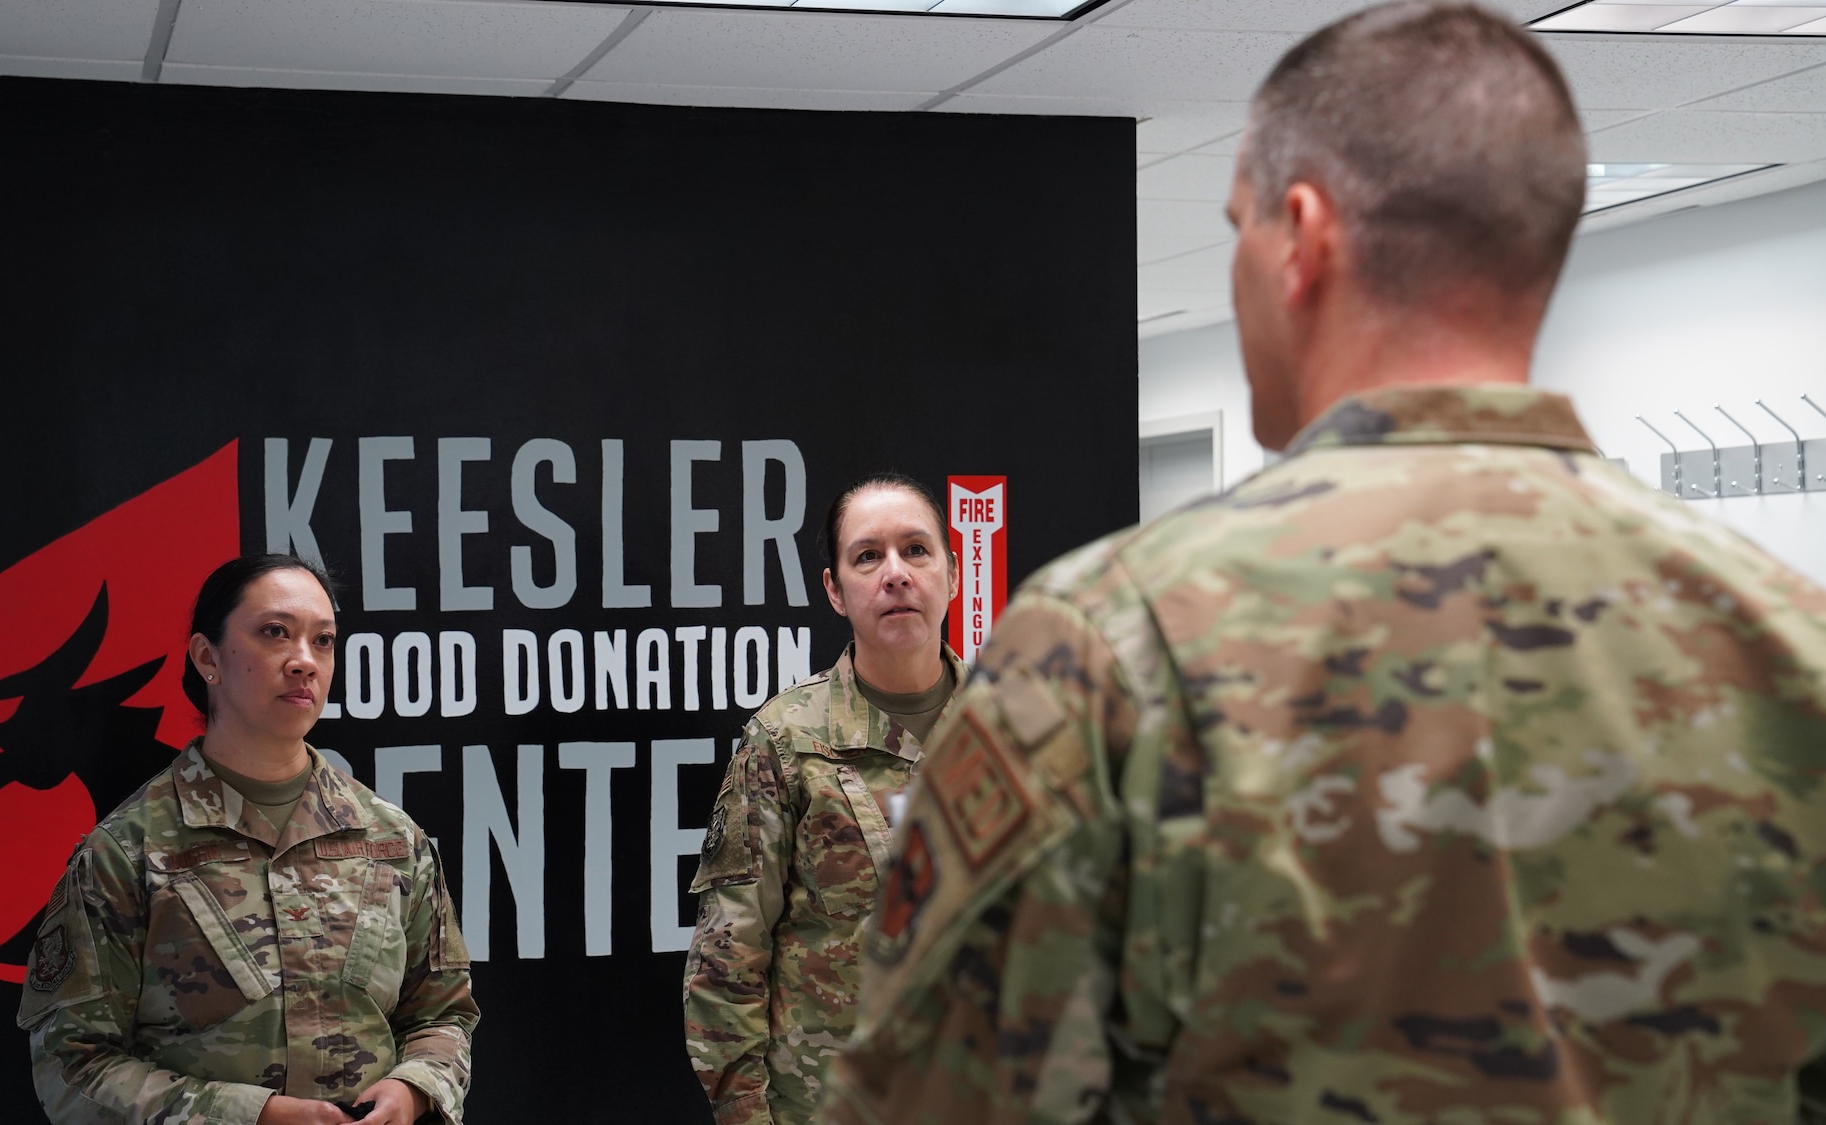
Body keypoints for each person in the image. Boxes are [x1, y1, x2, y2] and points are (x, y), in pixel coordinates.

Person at [822, 5, 1826, 1124]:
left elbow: (936, 1102)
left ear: (1298, 238)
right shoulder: (1788, 641)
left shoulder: (1112, 641)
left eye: (1237, 227)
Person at [18, 554, 478, 1125]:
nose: (305, 661)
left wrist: (415, 1089)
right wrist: (248, 1116)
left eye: (325, 640)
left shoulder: (389, 838)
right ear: (208, 657)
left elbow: (443, 1017)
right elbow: (74, 1065)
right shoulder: (127, 851)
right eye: (275, 633)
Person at [685, 474, 969, 1124]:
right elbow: (727, 960)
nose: (895, 573)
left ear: (952, 574)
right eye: (868, 555)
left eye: (916, 550)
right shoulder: (786, 742)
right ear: (835, 590)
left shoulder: (1016, 729)